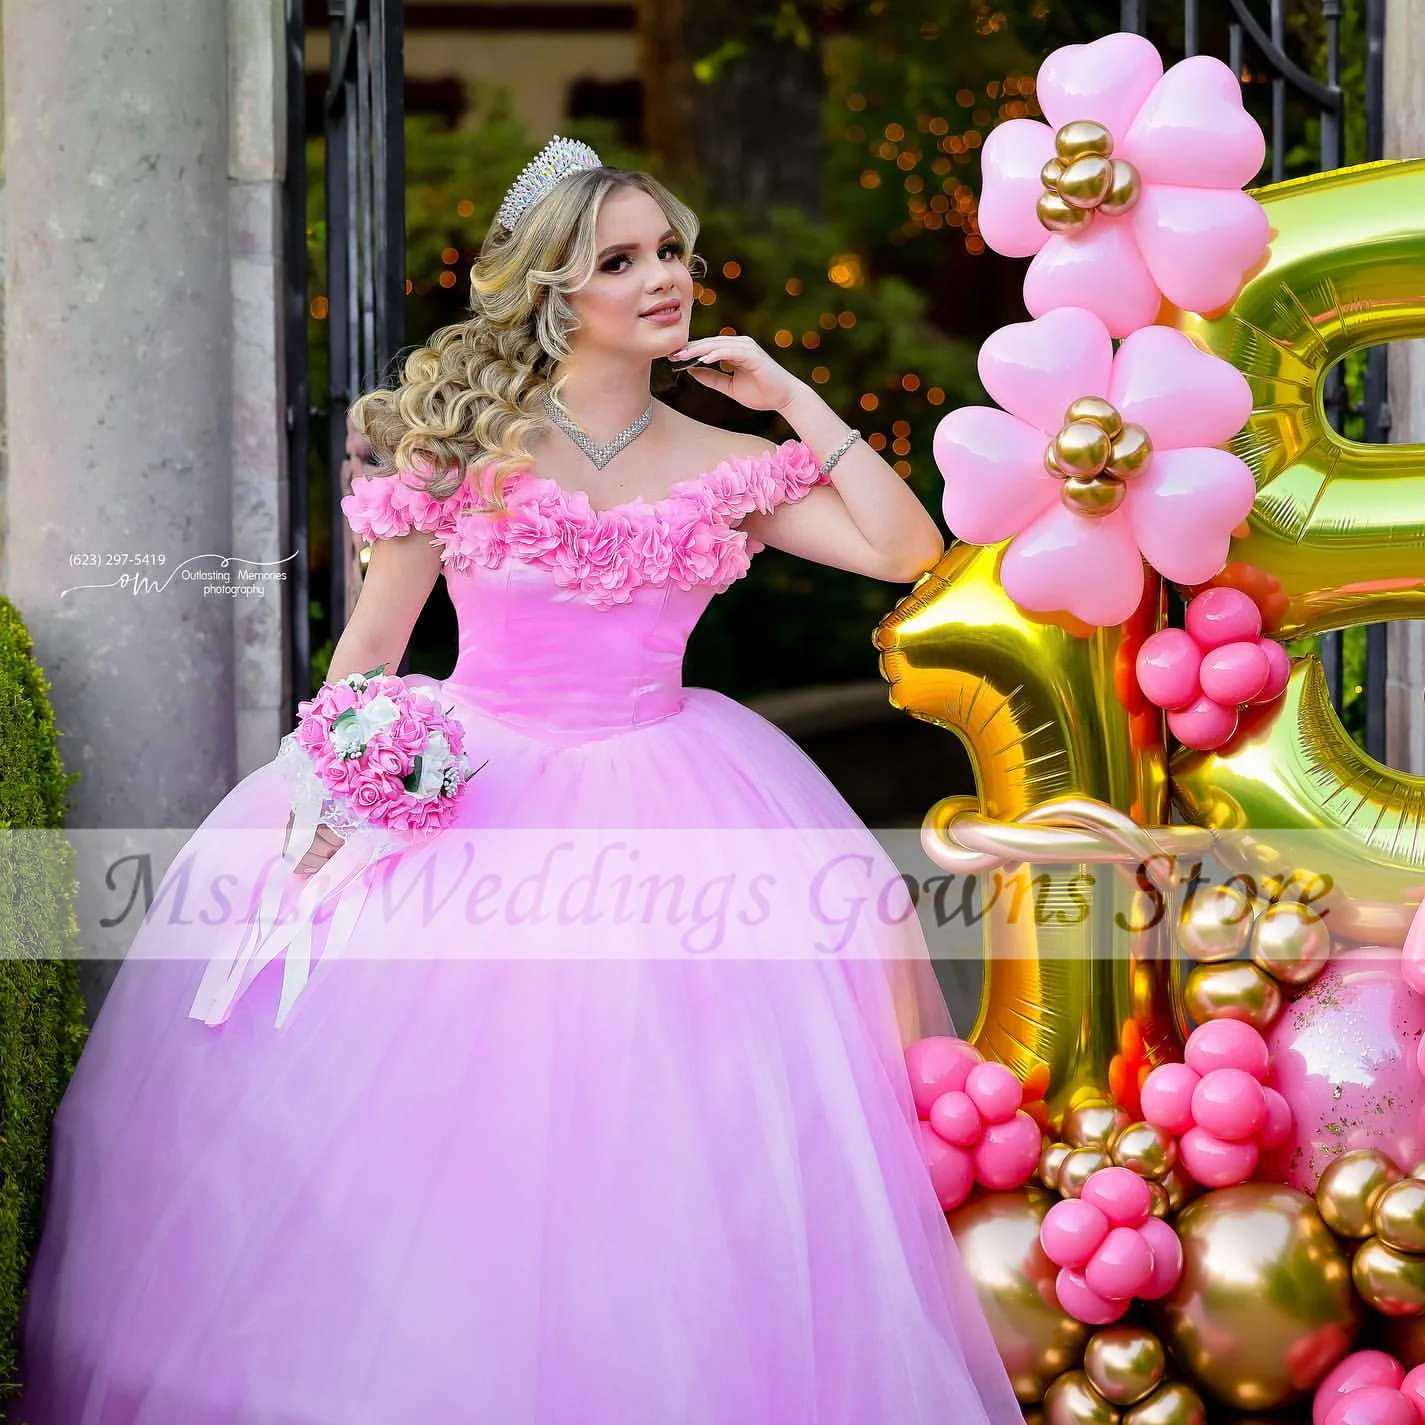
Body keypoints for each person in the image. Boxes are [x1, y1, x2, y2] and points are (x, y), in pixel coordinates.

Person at [14, 137, 1022, 1424]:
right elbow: (373, 650)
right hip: (472, 803)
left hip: (677, 808)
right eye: (622, 260)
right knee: (442, 1149)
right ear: (555, 292)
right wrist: (337, 800)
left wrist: (788, 399)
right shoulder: (461, 450)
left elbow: (903, 544)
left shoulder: (723, 456)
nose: (664, 279)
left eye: (672, 252)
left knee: (670, 1152)